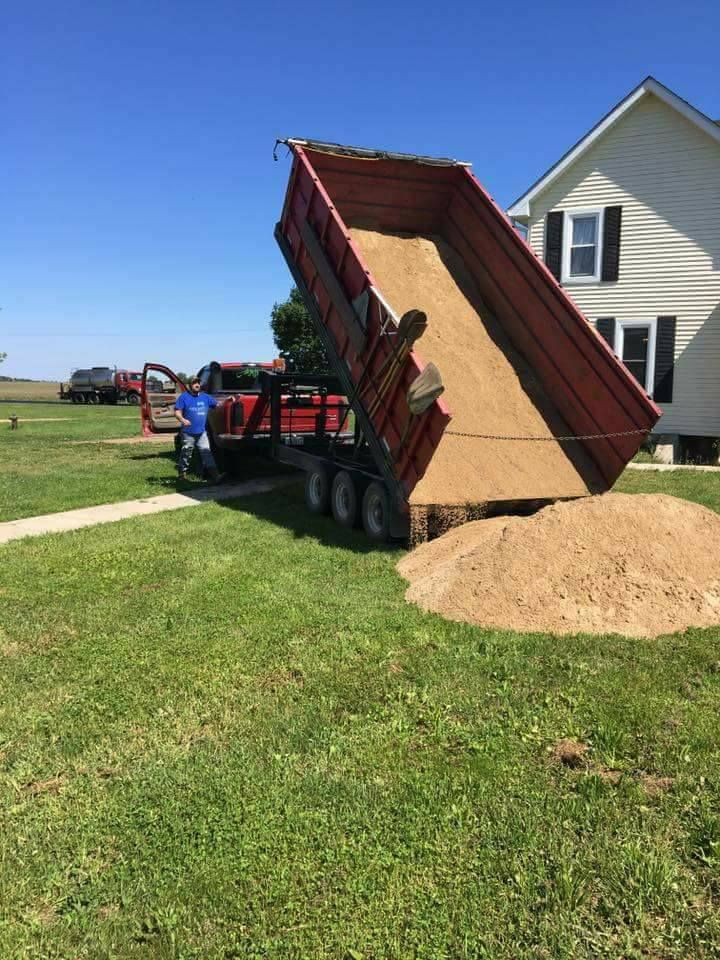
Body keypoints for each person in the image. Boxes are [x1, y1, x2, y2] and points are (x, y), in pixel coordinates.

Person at [174, 378, 223, 482]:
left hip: (202, 433)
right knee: (186, 453)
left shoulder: (205, 397)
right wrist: (182, 419)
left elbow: (218, 404)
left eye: (198, 383)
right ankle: (181, 475)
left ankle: (216, 477)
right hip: (188, 432)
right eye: (194, 383)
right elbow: (177, 412)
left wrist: (230, 400)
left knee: (207, 453)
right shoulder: (184, 397)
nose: (197, 385)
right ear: (189, 385)